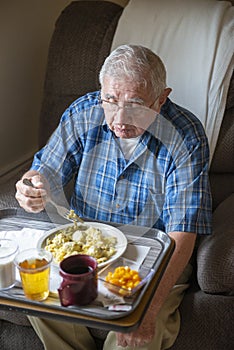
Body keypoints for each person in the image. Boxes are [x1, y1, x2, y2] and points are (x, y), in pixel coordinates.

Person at [15, 44, 212, 350]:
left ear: (161, 99)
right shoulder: (83, 112)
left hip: (154, 255)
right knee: (37, 295)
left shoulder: (185, 134)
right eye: (110, 99)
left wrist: (148, 309)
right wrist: (30, 186)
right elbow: (43, 172)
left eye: (135, 103)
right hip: (86, 245)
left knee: (131, 342)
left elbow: (182, 232)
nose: (119, 118)